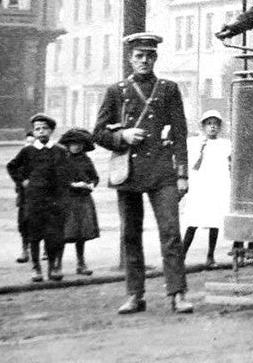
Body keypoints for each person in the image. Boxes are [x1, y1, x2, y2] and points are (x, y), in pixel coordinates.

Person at [93, 33, 193, 315]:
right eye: (139, 56)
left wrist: (183, 174)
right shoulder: (116, 91)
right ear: (130, 59)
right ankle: (134, 295)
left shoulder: (169, 89)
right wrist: (122, 135)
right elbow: (98, 133)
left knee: (171, 233)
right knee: (130, 235)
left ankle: (177, 294)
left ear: (156, 58)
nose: (144, 61)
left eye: (149, 56)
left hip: (162, 172)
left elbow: (180, 133)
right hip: (129, 172)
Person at [6, 114, 69, 282]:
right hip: (34, 199)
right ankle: (36, 267)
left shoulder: (60, 151)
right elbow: (12, 166)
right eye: (37, 129)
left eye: (44, 128)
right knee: (34, 234)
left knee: (53, 235)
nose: (41, 132)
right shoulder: (27, 151)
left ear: (51, 131)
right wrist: (22, 182)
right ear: (33, 132)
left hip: (54, 200)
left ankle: (53, 267)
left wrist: (63, 194)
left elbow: (66, 173)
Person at [182, 110, 230, 270]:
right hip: (200, 187)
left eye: (215, 124)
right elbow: (192, 164)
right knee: (193, 222)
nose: (212, 127)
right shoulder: (194, 142)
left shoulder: (225, 144)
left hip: (216, 186)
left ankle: (210, 256)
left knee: (214, 223)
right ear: (203, 126)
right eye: (209, 124)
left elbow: (230, 163)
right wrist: (201, 148)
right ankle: (181, 256)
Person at [59, 127, 100, 275]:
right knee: (64, 233)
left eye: (80, 144)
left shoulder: (86, 160)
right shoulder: (62, 159)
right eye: (74, 144)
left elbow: (95, 177)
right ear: (68, 145)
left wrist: (91, 184)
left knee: (81, 234)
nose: (77, 146)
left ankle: (81, 263)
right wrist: (72, 184)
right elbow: (58, 179)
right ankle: (57, 265)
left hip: (83, 199)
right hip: (67, 200)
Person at [14, 130, 34, 263]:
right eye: (27, 142)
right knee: (24, 223)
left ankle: (43, 250)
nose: (29, 145)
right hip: (24, 196)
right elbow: (13, 169)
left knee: (42, 222)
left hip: (41, 196)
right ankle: (25, 249)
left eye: (32, 143)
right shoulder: (21, 158)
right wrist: (21, 181)